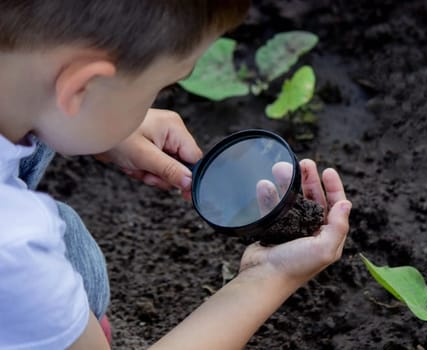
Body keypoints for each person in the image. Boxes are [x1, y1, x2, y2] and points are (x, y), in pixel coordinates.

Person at [0, 1, 353, 348]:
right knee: (70, 249)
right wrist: (270, 275)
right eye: (160, 87)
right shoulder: (18, 251)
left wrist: (98, 126)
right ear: (81, 89)